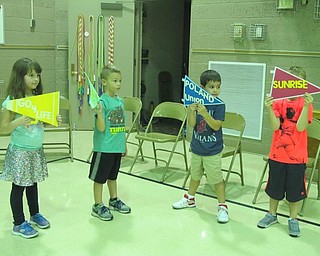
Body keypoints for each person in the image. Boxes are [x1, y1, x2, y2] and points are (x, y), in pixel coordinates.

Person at [0, 58, 62, 239]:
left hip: (36, 150)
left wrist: (52, 121)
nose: (36, 79)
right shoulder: (11, 101)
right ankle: (18, 223)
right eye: (31, 75)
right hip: (20, 150)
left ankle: (34, 214)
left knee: (33, 183)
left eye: (38, 75)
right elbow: (3, 128)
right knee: (19, 186)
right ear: (20, 77)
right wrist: (17, 121)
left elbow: (40, 124)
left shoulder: (38, 99)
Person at [257, 66, 313, 237]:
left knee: (295, 191)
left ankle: (293, 219)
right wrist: (269, 108)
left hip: (297, 158)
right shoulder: (278, 101)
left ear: (303, 85)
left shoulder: (305, 103)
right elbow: (275, 126)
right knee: (274, 187)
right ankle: (272, 214)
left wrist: (306, 106)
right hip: (277, 154)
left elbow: (301, 127)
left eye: (298, 83)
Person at [172, 70, 229, 223]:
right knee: (195, 176)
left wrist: (205, 114)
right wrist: (191, 110)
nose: (215, 90)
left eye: (218, 87)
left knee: (216, 179)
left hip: (212, 150)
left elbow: (216, 126)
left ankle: (222, 206)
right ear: (202, 88)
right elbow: (191, 124)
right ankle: (190, 198)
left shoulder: (219, 105)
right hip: (197, 148)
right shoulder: (197, 103)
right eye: (211, 87)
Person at [89, 64, 131, 221]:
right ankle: (97, 205)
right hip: (104, 148)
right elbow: (101, 128)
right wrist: (99, 113)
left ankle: (113, 200)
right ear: (104, 82)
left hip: (116, 147)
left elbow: (120, 126)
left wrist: (123, 144)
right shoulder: (102, 102)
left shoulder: (120, 101)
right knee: (99, 178)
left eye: (120, 80)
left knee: (112, 176)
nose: (118, 84)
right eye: (115, 80)